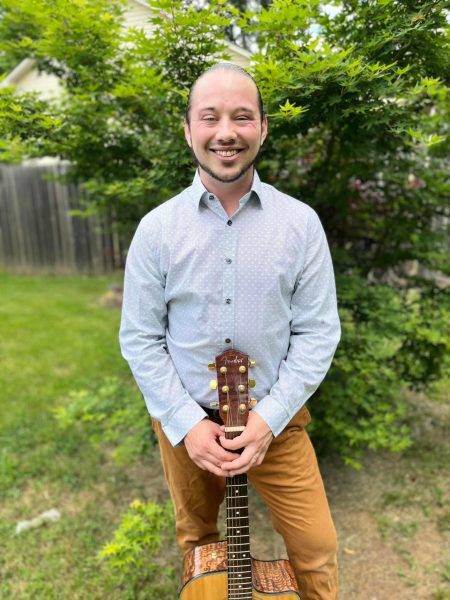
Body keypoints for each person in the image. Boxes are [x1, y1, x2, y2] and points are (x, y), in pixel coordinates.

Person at [119, 62, 341, 599]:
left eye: (242, 117)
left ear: (263, 128)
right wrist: (186, 425)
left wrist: (267, 420)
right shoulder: (157, 230)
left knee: (316, 548)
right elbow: (140, 338)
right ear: (188, 129)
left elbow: (318, 333)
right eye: (210, 117)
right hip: (186, 422)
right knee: (198, 541)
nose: (226, 132)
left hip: (275, 420)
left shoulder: (300, 225)